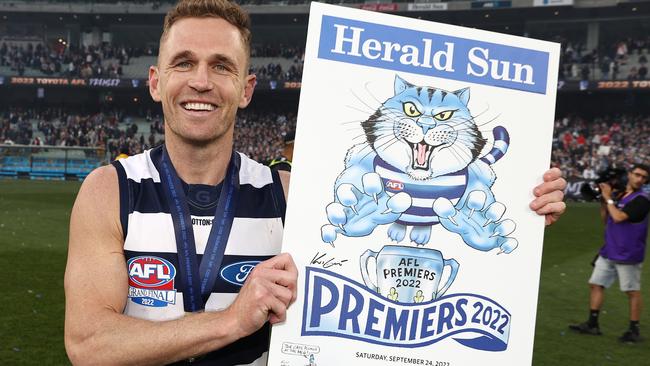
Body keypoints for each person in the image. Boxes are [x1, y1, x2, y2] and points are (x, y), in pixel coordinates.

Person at [64, 0, 568, 364]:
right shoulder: (110, 190)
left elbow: (410, 249)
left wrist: (523, 202)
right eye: (183, 63)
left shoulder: (291, 194)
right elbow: (88, 344)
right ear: (156, 81)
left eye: (222, 66)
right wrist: (232, 322)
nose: (201, 81)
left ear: (246, 89)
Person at [569, 164, 650, 342]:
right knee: (596, 284)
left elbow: (619, 217)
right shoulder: (621, 195)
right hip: (609, 250)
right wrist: (604, 202)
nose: (639, 179)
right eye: (637, 174)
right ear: (629, 175)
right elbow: (607, 220)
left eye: (643, 177)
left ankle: (634, 330)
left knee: (632, 291)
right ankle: (592, 324)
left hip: (628, 254)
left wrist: (608, 198)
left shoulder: (642, 199)